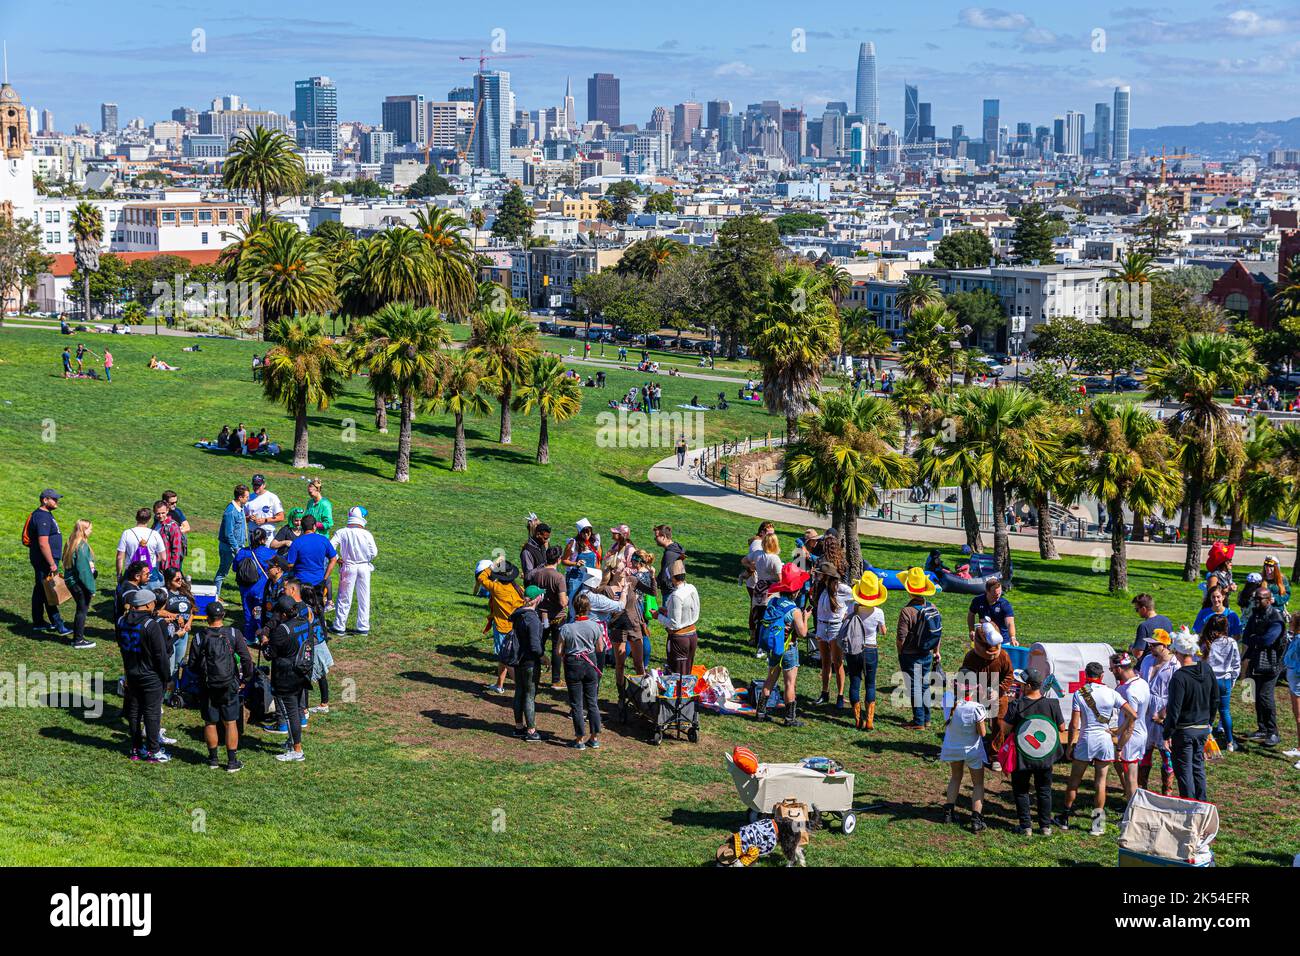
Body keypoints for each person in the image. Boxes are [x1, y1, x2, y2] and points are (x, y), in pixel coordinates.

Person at [1057, 662, 1136, 835]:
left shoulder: (1080, 693)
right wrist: (1118, 730)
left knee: (1074, 782)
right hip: (1105, 740)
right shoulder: (1112, 693)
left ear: (1086, 675)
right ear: (1101, 676)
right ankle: (1097, 825)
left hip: (1086, 739)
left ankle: (1064, 817)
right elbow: (1133, 715)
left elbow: (1074, 723)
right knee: (1100, 783)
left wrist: (1070, 746)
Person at [185, 601, 254, 772]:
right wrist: (245, 679)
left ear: (207, 618)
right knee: (230, 722)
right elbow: (246, 659)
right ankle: (232, 761)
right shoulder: (233, 633)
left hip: (207, 685)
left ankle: (213, 759)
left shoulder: (200, 637)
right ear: (223, 615)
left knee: (210, 722)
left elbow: (192, 665)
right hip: (229, 684)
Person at [1000, 668, 1067, 836]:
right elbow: (1061, 728)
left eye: (1022, 684)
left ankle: (1026, 826)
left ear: (1029, 685)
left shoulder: (1017, 704)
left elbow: (1006, 729)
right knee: (1044, 790)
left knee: (1021, 790)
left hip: (1023, 755)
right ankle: (1045, 826)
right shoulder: (1052, 704)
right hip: (1044, 755)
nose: (1020, 686)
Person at [116, 588, 172, 762]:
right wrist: (167, 677)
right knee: (151, 712)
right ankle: (153, 751)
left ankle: (135, 748)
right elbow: (160, 655)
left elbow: (121, 647)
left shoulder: (121, 621)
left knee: (134, 713)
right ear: (147, 604)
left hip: (131, 672)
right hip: (150, 675)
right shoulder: (150, 624)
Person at [754, 563, 812, 727]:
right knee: (789, 683)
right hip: (789, 649)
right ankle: (790, 718)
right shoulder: (794, 611)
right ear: (796, 590)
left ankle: (760, 712)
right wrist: (806, 617)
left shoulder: (773, 602)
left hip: (774, 647)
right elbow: (803, 633)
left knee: (770, 680)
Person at [1165, 631, 1220, 801]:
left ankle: (1189, 808)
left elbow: (1174, 710)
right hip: (1202, 729)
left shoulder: (1179, 677)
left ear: (1177, 653)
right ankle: (1201, 804)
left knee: (1184, 771)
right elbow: (1215, 698)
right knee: (1198, 768)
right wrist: (1209, 722)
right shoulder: (1206, 669)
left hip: (1184, 731)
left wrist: (1167, 733)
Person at [261, 594, 311, 762]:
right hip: (301, 672)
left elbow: (269, 655)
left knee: (290, 714)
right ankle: (292, 742)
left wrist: (265, 642)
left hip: (285, 677)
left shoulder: (282, 631)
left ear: (283, 614)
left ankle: (297, 750)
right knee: (296, 709)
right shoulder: (304, 622)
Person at [959, 616, 1014, 765]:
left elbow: (1009, 675)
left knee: (1000, 723)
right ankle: (972, 749)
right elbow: (964, 678)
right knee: (972, 721)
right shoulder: (971, 657)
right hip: (977, 695)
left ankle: (995, 754)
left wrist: (999, 690)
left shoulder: (1003, 656)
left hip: (998, 695)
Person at [940, 670, 989, 832]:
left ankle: (948, 813)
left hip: (953, 747)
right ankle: (976, 819)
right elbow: (982, 733)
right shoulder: (976, 708)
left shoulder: (947, 699)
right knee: (978, 784)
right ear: (973, 688)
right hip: (972, 751)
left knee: (955, 777)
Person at [840, 570, 888, 731]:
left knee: (854, 681)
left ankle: (857, 719)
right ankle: (869, 720)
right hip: (871, 649)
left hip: (854, 649)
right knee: (870, 683)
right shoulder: (879, 612)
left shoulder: (854, 609)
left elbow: (844, 620)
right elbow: (883, 631)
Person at [896, 567, 942, 730]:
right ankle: (926, 718)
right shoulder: (932, 607)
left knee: (914, 686)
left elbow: (901, 638)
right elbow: (937, 632)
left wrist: (901, 653)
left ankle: (918, 721)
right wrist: (936, 651)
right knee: (923, 685)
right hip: (927, 653)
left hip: (910, 654)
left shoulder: (906, 611)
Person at [559, 592, 605, 750]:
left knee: (576, 704)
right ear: (589, 608)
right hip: (591, 663)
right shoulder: (595, 626)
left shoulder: (566, 628)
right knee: (592, 701)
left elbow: (559, 651)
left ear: (574, 607)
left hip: (573, 664)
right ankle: (594, 737)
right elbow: (600, 648)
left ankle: (579, 739)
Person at [1242, 583, 1286, 747]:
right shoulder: (1256, 615)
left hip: (1271, 663)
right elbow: (1246, 637)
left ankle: (1273, 732)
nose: (1256, 602)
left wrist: (1256, 638)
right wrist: (1256, 638)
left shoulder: (1276, 618)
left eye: (1260, 599)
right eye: (1255, 599)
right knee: (1255, 695)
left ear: (1269, 600)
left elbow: (1268, 641)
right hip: (1256, 659)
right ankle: (1262, 728)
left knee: (1265, 696)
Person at [1139, 628, 1179, 795]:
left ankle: (1166, 792)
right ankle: (1141, 790)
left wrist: (1164, 714)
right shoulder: (1147, 660)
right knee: (1144, 751)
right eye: (1149, 644)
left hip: (1164, 710)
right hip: (1145, 710)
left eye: (1154, 645)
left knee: (1166, 752)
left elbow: (1177, 694)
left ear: (1164, 645)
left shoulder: (1174, 665)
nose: (1150, 647)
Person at [476, 559, 525, 695]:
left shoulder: (497, 589)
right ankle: (499, 684)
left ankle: (521, 687)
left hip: (502, 628)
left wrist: (491, 567)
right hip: (515, 627)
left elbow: (481, 577)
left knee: (506, 659)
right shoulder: (518, 589)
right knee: (504, 657)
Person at [26, 489, 71, 636]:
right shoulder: (42, 517)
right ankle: (59, 625)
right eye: (54, 499)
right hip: (45, 560)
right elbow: (43, 543)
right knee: (49, 591)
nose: (57, 501)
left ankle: (38, 622)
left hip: (44, 560)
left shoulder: (45, 515)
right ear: (45, 500)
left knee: (40, 589)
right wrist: (52, 563)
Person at [330, 507, 379, 636]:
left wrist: (337, 559)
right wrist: (365, 558)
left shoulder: (342, 532)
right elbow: (374, 552)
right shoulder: (367, 534)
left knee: (344, 597)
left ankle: (339, 626)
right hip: (364, 567)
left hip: (348, 566)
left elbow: (330, 547)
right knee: (364, 597)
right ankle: (363, 626)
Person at [525, 545, 569, 687]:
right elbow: (562, 602)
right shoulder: (559, 577)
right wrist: (567, 600)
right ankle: (556, 680)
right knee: (557, 648)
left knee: (539, 645)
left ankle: (535, 676)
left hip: (541, 615)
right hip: (557, 618)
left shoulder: (538, 574)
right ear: (559, 559)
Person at [1110, 652, 1150, 801]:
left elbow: (1130, 725)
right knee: (1130, 774)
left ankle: (1131, 811)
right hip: (1141, 734)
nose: (1112, 672)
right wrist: (1117, 731)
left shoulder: (1129, 691)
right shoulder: (1142, 683)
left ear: (1118, 669)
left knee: (1131, 778)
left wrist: (1119, 747)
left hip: (1131, 739)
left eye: (1111, 669)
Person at [1200, 613, 1242, 752]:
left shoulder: (1204, 643)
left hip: (1208, 680)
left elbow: (1199, 662)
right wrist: (1233, 679)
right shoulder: (1231, 642)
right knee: (1225, 711)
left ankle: (1206, 738)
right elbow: (1236, 663)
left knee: (1207, 710)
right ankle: (1230, 742)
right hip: (1225, 680)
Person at [814, 562, 853, 709]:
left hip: (836, 629)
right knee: (824, 663)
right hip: (822, 627)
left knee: (837, 663)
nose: (817, 575)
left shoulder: (843, 589)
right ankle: (825, 693)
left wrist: (847, 615)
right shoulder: (823, 588)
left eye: (820, 573)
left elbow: (855, 600)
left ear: (827, 575)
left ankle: (840, 696)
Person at [511, 586, 546, 741]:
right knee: (529, 695)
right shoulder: (531, 618)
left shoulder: (519, 614)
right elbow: (534, 646)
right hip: (530, 662)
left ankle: (519, 727)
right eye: (541, 594)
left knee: (519, 691)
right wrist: (544, 657)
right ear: (537, 598)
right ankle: (531, 731)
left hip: (518, 659)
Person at [654, 559, 699, 676]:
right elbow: (689, 609)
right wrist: (668, 611)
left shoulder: (676, 596)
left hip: (680, 639)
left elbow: (675, 624)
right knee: (687, 670)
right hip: (692, 634)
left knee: (677, 674)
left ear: (673, 578)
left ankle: (679, 694)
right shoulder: (691, 588)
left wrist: (657, 616)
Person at [285, 514, 338, 610]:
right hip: (318, 582)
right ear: (314, 526)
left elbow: (290, 564)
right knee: (318, 609)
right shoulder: (323, 540)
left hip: (301, 584)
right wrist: (325, 578)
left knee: (302, 611)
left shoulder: (297, 542)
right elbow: (333, 559)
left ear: (302, 527)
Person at [234, 528, 277, 644]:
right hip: (260, 589)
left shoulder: (242, 552)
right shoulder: (269, 553)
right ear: (263, 540)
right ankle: (262, 635)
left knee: (248, 612)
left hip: (245, 588)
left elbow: (234, 568)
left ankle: (249, 637)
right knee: (260, 613)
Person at [60, 518, 97, 649]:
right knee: (82, 610)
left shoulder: (71, 542)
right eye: (90, 528)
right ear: (83, 530)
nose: (91, 531)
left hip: (71, 581)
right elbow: (83, 571)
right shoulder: (81, 546)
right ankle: (78, 640)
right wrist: (91, 589)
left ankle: (78, 638)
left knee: (80, 610)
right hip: (79, 583)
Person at [747, 531, 782, 657]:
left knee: (759, 618)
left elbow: (744, 560)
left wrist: (752, 568)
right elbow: (780, 578)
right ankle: (764, 647)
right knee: (769, 620)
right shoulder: (775, 559)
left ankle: (759, 645)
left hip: (759, 587)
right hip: (770, 591)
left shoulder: (757, 554)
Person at [116, 507, 166, 587]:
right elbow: (163, 558)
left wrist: (119, 575)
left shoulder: (127, 533)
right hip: (150, 573)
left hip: (131, 572)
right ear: (149, 519)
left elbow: (119, 557)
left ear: (136, 518)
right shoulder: (155, 534)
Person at [215, 484, 250, 593]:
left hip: (239, 546)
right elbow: (228, 534)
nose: (248, 499)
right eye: (246, 497)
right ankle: (215, 596)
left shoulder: (241, 508)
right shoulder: (230, 512)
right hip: (229, 548)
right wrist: (237, 549)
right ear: (240, 497)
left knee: (243, 572)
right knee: (222, 573)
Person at [968, 576, 1017, 646]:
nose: (998, 595)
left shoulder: (1004, 604)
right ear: (987, 591)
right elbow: (971, 615)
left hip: (1002, 641)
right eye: (995, 593)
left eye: (999, 593)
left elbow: (1009, 622)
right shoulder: (978, 601)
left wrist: (1012, 637)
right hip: (984, 640)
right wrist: (971, 630)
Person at [152, 499, 184, 575]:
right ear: (154, 512)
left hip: (166, 566)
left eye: (163, 513)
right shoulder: (155, 524)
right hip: (154, 564)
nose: (160, 516)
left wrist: (173, 570)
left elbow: (176, 549)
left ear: (167, 511)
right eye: (158, 513)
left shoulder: (173, 526)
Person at [653, 524, 685, 598]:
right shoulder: (676, 550)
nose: (655, 539)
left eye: (656, 536)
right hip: (675, 589)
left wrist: (656, 584)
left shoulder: (669, 553)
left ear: (663, 536)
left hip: (670, 593)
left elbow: (665, 576)